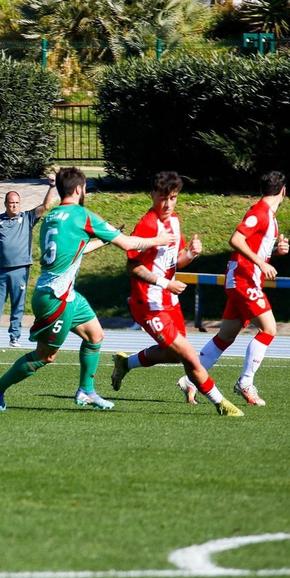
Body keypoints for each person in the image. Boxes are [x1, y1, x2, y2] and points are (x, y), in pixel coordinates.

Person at [0, 167, 175, 412]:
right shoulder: (80, 215)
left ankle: (86, 391)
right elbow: (127, 243)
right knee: (45, 356)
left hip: (63, 294)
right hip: (56, 298)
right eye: (85, 188)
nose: (86, 191)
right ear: (78, 189)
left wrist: (102, 240)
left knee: (95, 336)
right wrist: (158, 240)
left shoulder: (52, 218)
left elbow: (75, 249)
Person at [109, 171, 244, 417]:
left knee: (175, 355)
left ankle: (125, 363)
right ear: (152, 196)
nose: (168, 204)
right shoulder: (148, 225)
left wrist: (191, 253)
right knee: (190, 356)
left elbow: (174, 262)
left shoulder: (174, 221)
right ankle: (222, 404)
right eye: (163, 198)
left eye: (173, 197)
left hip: (169, 301)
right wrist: (164, 283)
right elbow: (132, 267)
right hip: (148, 304)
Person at [178, 170, 290, 407]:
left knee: (226, 336)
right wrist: (260, 263)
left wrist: (275, 252)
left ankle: (190, 380)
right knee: (269, 329)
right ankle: (245, 382)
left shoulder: (269, 216)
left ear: (262, 189)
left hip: (245, 280)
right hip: (244, 279)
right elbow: (236, 239)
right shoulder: (260, 212)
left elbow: (255, 247)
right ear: (283, 191)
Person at [0, 179, 57, 348]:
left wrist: (52, 186)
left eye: (17, 203)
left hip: (20, 268)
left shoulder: (27, 218)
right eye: (11, 203)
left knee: (18, 304)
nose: (14, 206)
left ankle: (14, 338)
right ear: (5, 204)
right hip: (1, 269)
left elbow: (45, 206)